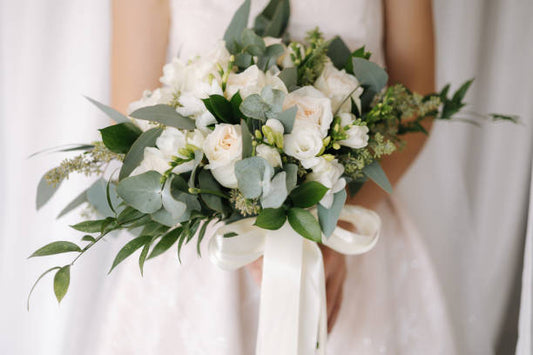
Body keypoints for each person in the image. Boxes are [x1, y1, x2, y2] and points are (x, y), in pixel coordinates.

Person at [97, 0, 455, 353]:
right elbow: (132, 119)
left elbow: (417, 101)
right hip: (209, 247)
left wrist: (329, 230)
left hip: (352, 217)